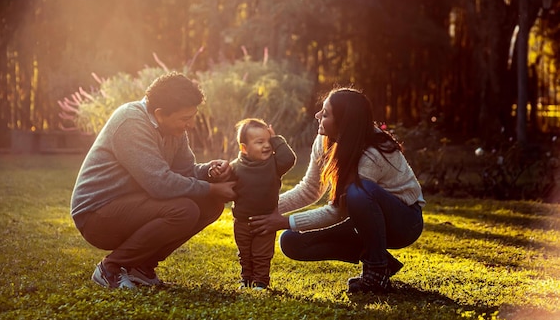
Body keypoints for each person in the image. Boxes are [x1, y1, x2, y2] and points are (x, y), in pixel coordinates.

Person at [248, 87, 425, 293]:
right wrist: (266, 206)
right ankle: (383, 262)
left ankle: (376, 271)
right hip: (363, 221)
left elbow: (338, 211)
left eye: (325, 114)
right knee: (291, 241)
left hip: (403, 222)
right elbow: (310, 189)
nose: (317, 116)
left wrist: (283, 221)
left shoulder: (373, 153)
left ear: (344, 122)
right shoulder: (324, 140)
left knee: (358, 191)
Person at [71, 72, 236, 289]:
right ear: (159, 114)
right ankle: (109, 268)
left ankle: (140, 268)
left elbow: (184, 171)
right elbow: (160, 184)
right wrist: (211, 189)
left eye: (193, 116)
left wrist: (209, 172)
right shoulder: (131, 122)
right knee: (184, 210)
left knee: (209, 205)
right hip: (97, 215)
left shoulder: (173, 129)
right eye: (186, 118)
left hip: (137, 203)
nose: (191, 124)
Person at [223, 119, 296, 290]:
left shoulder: (274, 164)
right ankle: (246, 279)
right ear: (244, 148)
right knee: (245, 254)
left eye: (268, 141)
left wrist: (275, 138)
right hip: (241, 222)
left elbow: (289, 158)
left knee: (262, 254)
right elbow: (224, 186)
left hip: (266, 220)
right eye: (259, 142)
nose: (267, 146)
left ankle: (261, 282)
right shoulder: (235, 168)